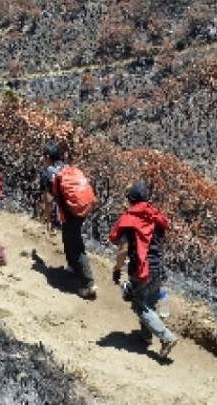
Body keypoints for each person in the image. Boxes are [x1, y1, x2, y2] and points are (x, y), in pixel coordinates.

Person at [109, 181, 178, 359]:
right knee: (149, 302)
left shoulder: (129, 220)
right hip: (157, 266)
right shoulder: (155, 217)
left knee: (139, 305)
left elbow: (123, 249)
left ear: (131, 200)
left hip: (140, 268)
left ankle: (166, 337)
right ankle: (146, 336)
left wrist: (117, 269)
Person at [40, 142, 97, 299]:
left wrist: (48, 220)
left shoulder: (48, 174)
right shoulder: (67, 168)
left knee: (75, 244)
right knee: (68, 236)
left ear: (47, 157)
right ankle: (72, 266)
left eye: (43, 157)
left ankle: (89, 284)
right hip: (82, 208)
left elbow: (48, 200)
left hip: (72, 212)